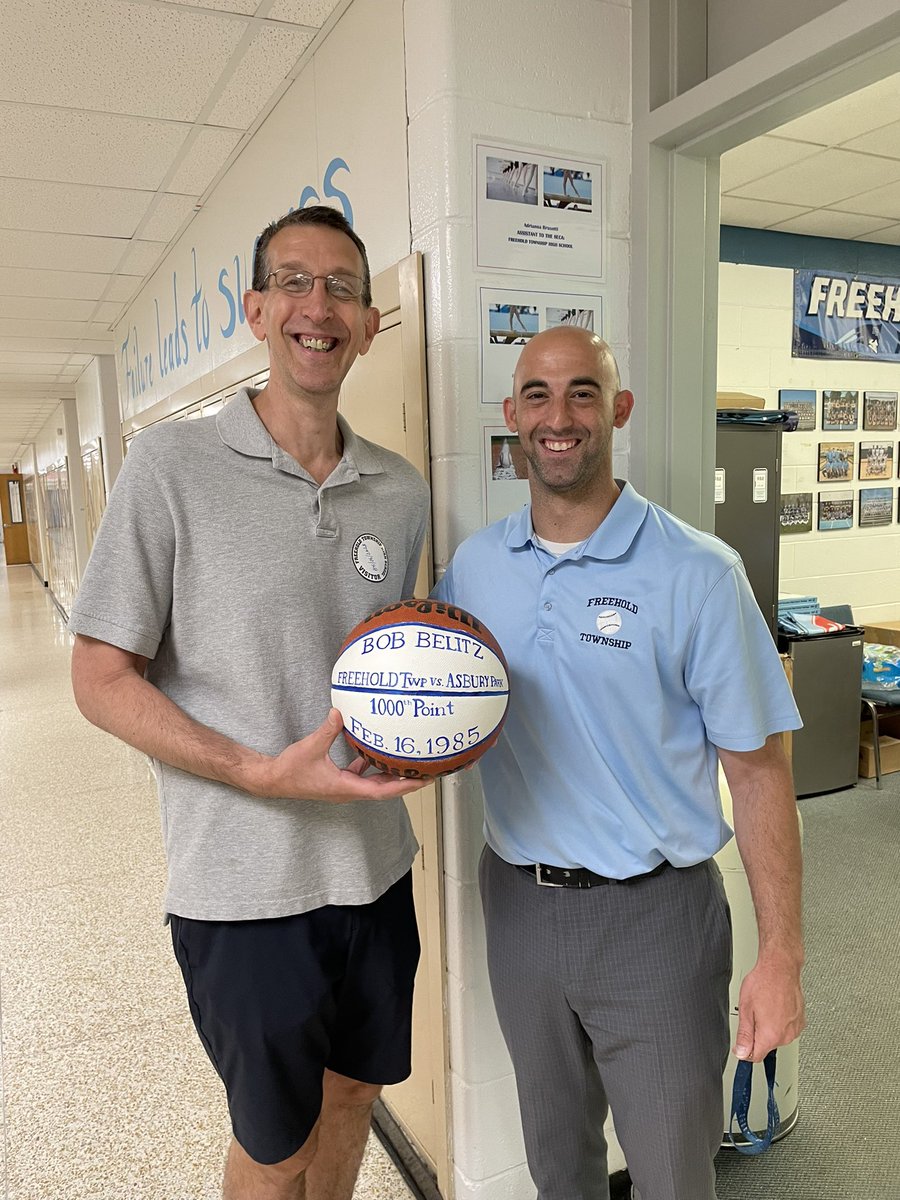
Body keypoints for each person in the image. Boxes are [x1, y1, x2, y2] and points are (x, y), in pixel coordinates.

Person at [69, 205, 430, 1200]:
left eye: (345, 288)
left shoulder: (399, 492)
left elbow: (387, 669)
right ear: (257, 309)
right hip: (243, 890)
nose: (322, 305)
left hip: (375, 868)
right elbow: (100, 675)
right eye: (297, 283)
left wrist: (437, 734)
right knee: (276, 1144)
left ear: (366, 322)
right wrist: (257, 770)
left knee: (355, 1095)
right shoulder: (171, 468)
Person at [433, 326, 805, 1200]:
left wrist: (782, 956)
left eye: (582, 393)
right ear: (511, 417)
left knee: (673, 1171)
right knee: (557, 1162)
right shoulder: (475, 569)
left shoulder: (700, 574)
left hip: (656, 920)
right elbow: (442, 714)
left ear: (618, 409)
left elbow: (759, 773)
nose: (558, 417)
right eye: (537, 395)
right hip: (519, 905)